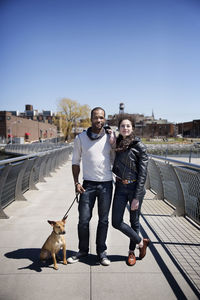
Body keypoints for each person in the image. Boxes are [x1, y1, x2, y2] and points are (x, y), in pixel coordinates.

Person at [67, 107, 113, 266]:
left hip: (107, 184)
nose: (99, 120)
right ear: (91, 118)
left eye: (101, 117)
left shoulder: (110, 137)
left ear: (105, 119)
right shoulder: (80, 138)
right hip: (87, 185)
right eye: (96, 117)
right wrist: (76, 183)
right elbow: (75, 161)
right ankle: (83, 251)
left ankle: (102, 253)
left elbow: (121, 153)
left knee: (104, 220)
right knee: (84, 220)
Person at [111, 117, 150, 266]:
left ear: (132, 128)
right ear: (119, 128)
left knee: (134, 221)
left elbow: (143, 174)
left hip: (135, 188)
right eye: (122, 126)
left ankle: (131, 252)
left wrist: (137, 197)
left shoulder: (139, 146)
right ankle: (141, 242)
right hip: (120, 188)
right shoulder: (117, 143)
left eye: (128, 126)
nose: (125, 128)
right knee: (116, 222)